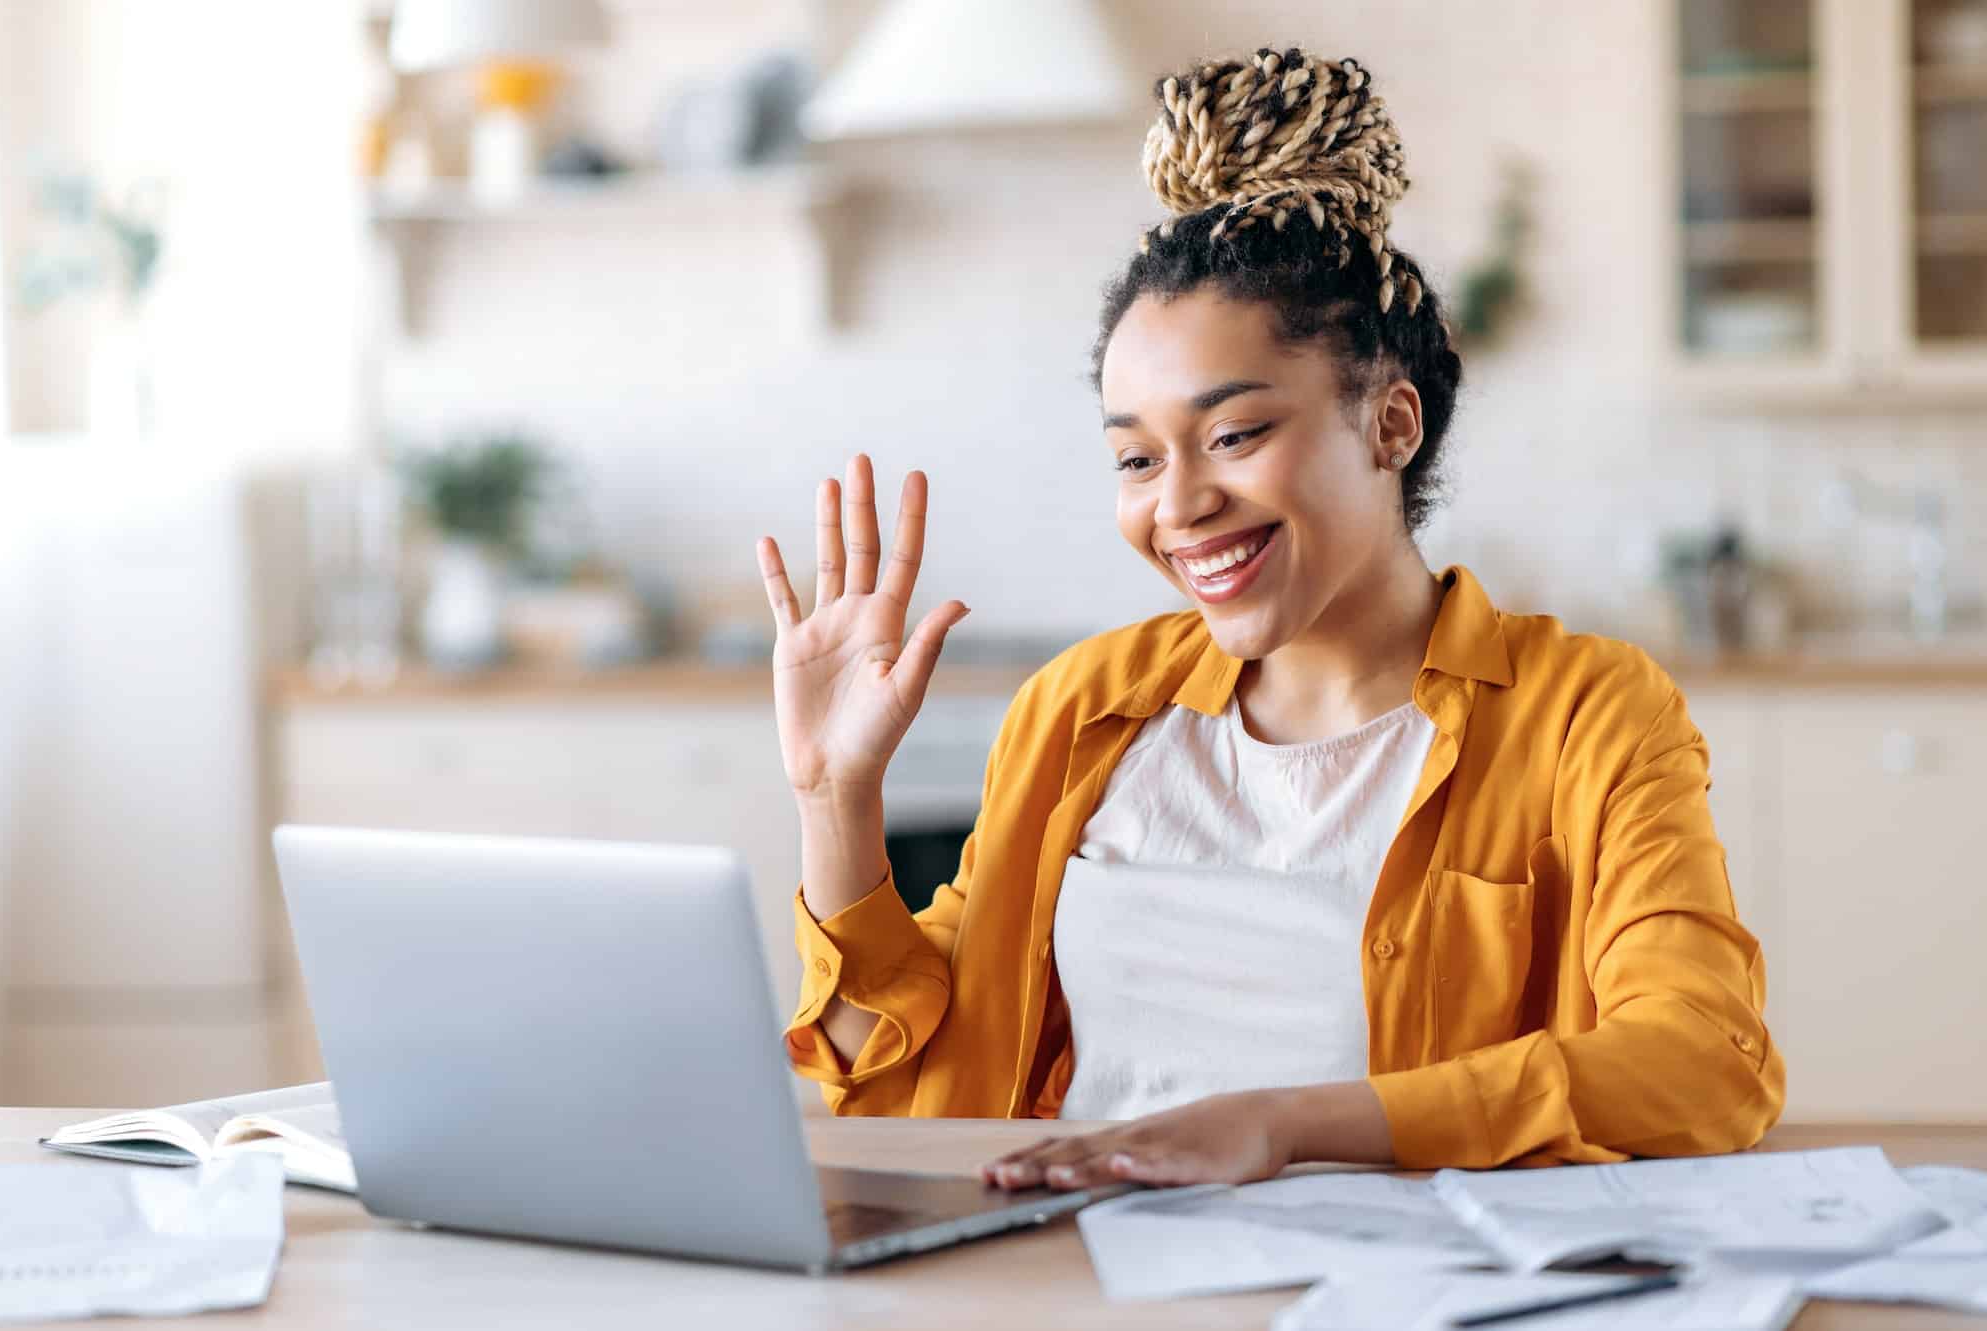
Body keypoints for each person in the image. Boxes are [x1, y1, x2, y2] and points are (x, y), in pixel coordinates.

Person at [753, 47, 1782, 1190]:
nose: (1179, 503)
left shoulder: (1584, 713)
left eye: (1234, 434)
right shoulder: (1083, 707)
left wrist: (1287, 1122)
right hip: (1063, 1273)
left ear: (1389, 426)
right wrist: (833, 803)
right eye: (1136, 456)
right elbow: (907, 1085)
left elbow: (1703, 1064)